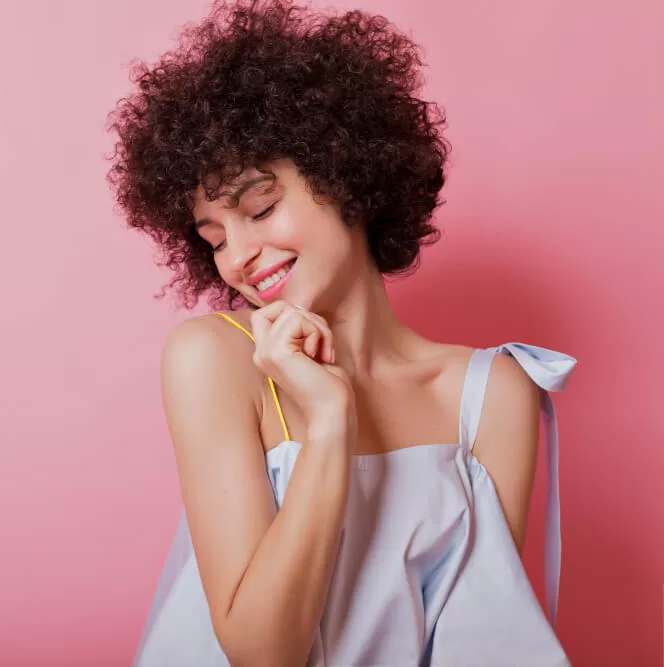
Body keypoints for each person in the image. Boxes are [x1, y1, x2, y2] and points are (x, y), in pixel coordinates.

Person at [106, 1, 577, 665]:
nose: (237, 255)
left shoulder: (491, 394)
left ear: (345, 173)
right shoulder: (215, 358)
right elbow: (263, 651)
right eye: (213, 238)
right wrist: (330, 421)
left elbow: (483, 640)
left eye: (260, 207)